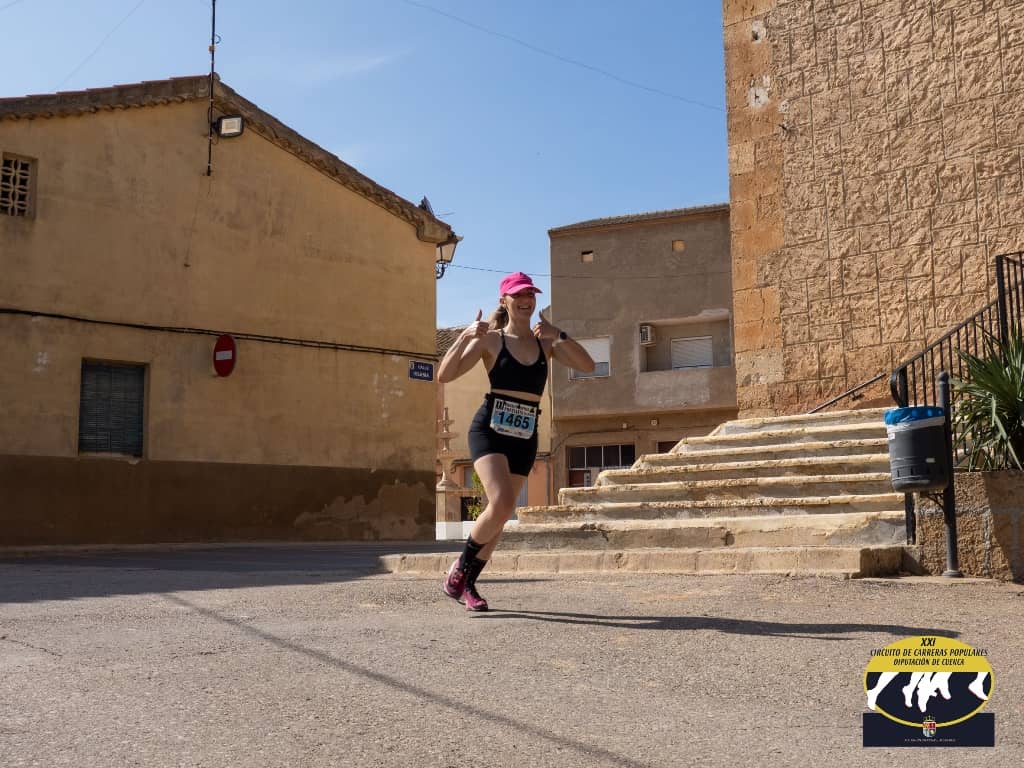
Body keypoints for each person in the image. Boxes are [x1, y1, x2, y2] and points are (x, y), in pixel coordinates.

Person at [437, 271, 595, 611]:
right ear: (504, 301)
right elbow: (444, 374)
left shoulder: (545, 343)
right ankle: (460, 568)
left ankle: (469, 584)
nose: (526, 300)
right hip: (489, 430)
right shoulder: (491, 340)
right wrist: (464, 337)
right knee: (502, 502)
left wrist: (558, 333)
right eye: (519, 295)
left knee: (501, 516)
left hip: (524, 436)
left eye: (530, 295)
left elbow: (588, 364)